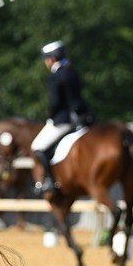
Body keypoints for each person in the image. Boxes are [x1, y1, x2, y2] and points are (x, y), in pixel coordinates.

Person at [29, 41, 94, 193]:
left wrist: (50, 115)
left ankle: (48, 180)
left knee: (37, 147)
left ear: (51, 59)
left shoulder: (55, 76)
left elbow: (56, 101)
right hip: (83, 118)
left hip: (63, 120)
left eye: (46, 59)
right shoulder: (72, 72)